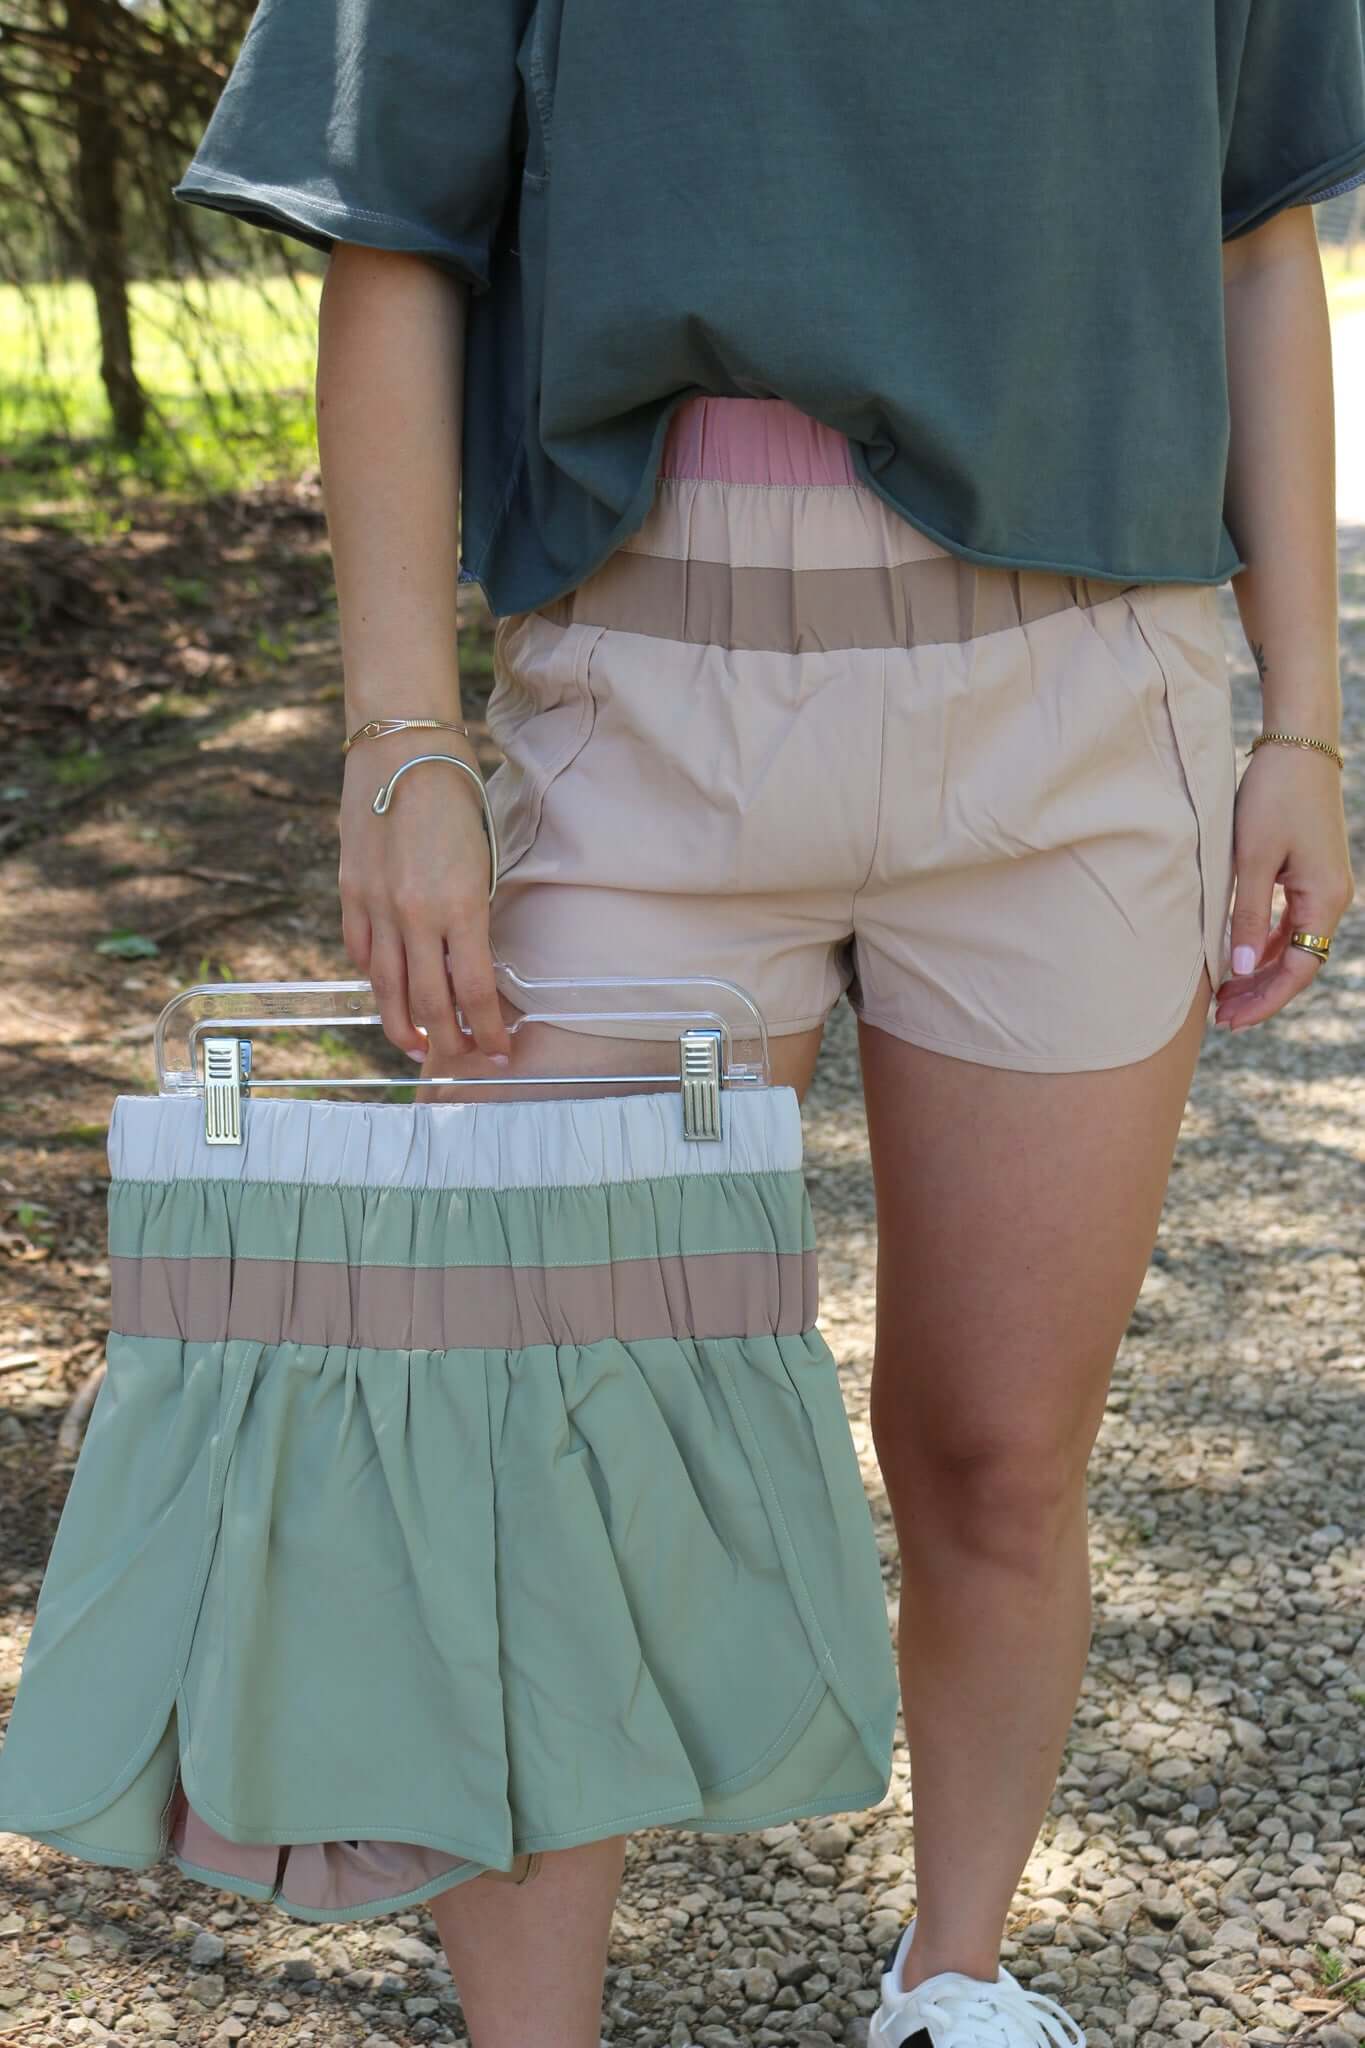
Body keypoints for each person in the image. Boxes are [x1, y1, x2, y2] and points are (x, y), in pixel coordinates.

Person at [104, 6, 1365, 2046]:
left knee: (996, 1453)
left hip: (1080, 705)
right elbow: (390, 228)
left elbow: (1251, 232)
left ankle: (954, 1980)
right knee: (536, 1454)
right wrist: (399, 737)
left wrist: (1299, 721)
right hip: (641, 702)